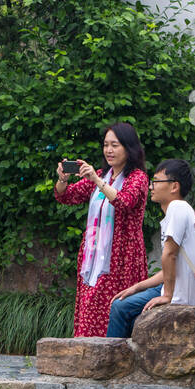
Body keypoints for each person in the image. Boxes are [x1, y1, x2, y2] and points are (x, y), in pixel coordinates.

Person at [53, 122, 150, 337]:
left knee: (114, 307)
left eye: (115, 145)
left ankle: (114, 359)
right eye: (106, 145)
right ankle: (86, 356)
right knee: (90, 304)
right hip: (94, 255)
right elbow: (65, 196)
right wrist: (63, 178)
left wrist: (96, 180)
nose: (108, 150)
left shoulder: (137, 178)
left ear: (128, 147)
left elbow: (124, 202)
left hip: (122, 257)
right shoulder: (102, 176)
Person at [107, 158, 195, 337]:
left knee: (120, 307)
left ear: (174, 186)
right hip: (172, 287)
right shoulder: (178, 211)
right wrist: (136, 287)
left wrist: (167, 296)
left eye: (156, 182)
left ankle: (112, 362)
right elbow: (171, 268)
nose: (151, 187)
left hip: (181, 294)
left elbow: (169, 255)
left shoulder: (177, 207)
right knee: (125, 302)